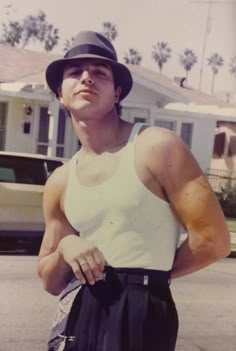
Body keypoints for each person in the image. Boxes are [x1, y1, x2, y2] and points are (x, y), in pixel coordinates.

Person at [37, 30, 230, 351]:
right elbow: (49, 279)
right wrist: (66, 247)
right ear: (60, 92)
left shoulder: (157, 146)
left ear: (117, 93)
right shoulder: (60, 180)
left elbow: (214, 241)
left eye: (99, 73)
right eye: (75, 72)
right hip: (83, 305)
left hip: (141, 310)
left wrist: (145, 279)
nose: (86, 78)